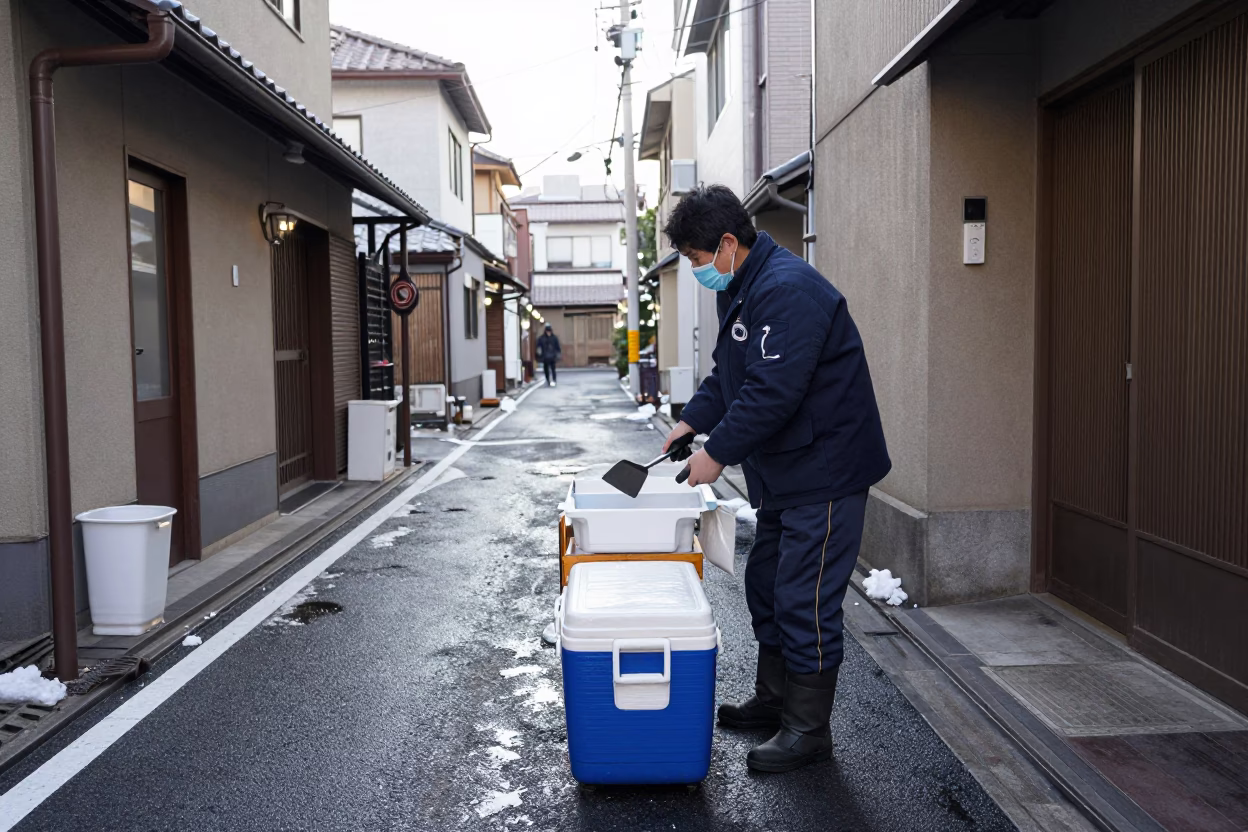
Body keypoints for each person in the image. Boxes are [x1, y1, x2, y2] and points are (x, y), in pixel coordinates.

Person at [662, 185, 891, 773]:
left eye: (695, 258)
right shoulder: (743, 287)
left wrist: (715, 455)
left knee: (804, 598)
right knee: (766, 583)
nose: (695, 270)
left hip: (828, 470)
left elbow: (773, 392)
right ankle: (775, 699)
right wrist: (691, 420)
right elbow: (731, 375)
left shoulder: (787, 291)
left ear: (729, 244)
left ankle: (809, 730)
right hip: (789, 471)